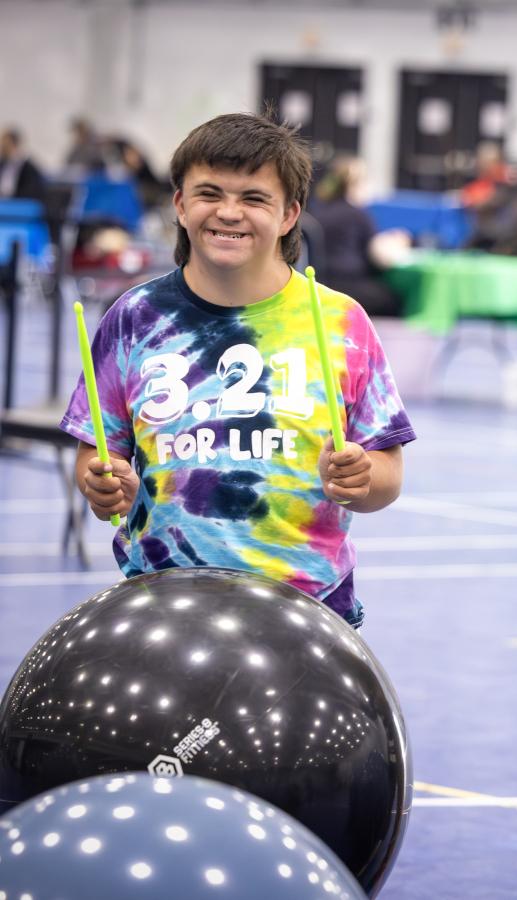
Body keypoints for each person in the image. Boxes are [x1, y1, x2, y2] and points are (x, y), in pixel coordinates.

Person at [60, 113, 415, 628]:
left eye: (254, 198)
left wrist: (364, 477)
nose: (229, 213)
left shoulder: (342, 321)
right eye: (209, 193)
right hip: (161, 603)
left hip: (308, 612)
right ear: (180, 205)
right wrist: (100, 482)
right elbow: (98, 451)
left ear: (290, 214)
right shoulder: (134, 318)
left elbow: (386, 474)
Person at [307, 155, 401, 317]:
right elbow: (380, 258)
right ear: (355, 185)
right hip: (351, 288)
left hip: (318, 287)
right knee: (395, 299)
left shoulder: (316, 211)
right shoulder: (358, 215)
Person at [0, 127, 47, 202]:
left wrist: (12, 197)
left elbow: (32, 191)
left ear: (14, 145)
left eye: (6, 145)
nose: (3, 148)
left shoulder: (28, 168)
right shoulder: (3, 165)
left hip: (19, 202)